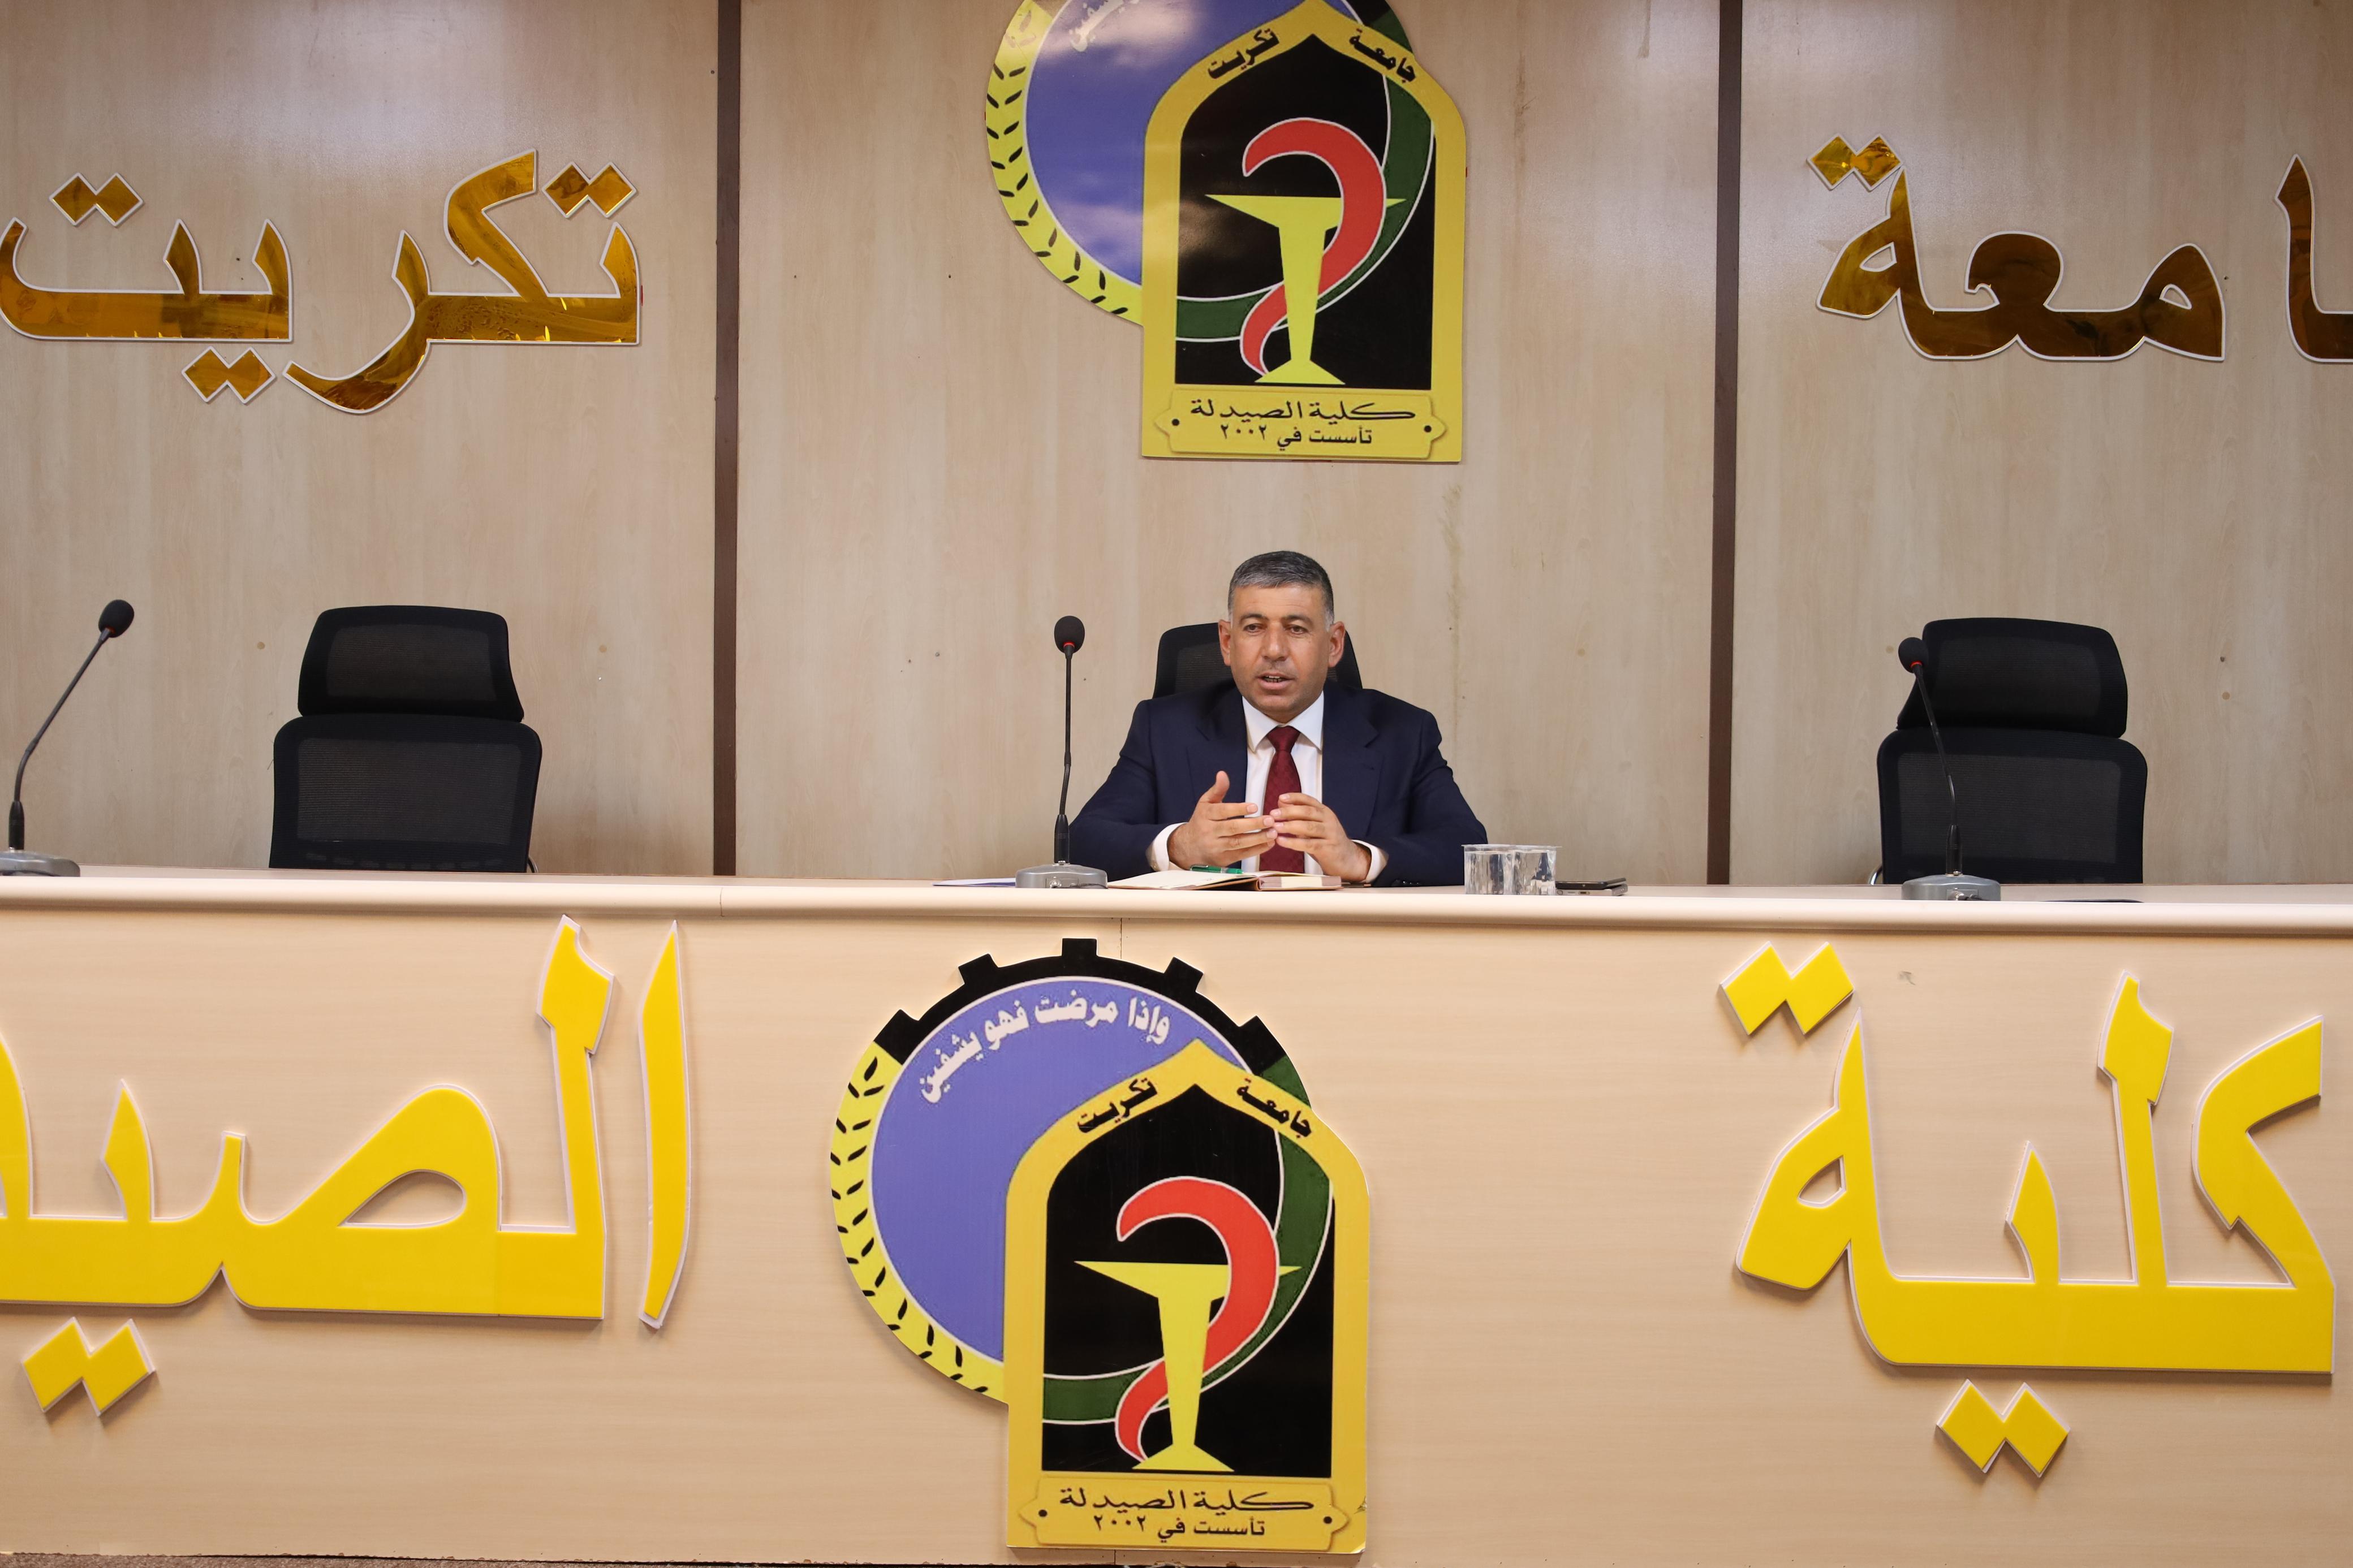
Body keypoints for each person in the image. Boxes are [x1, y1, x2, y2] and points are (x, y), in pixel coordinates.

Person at [1070, 551, 1486, 885]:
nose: (1273, 650)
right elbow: (1083, 841)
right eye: (1254, 627)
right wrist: (1179, 846)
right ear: (1227, 642)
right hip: (1205, 946)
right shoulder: (1164, 729)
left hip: (1350, 947)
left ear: (1334, 644)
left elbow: (1467, 848)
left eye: (1297, 629)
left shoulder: (1402, 733)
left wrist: (1360, 858)